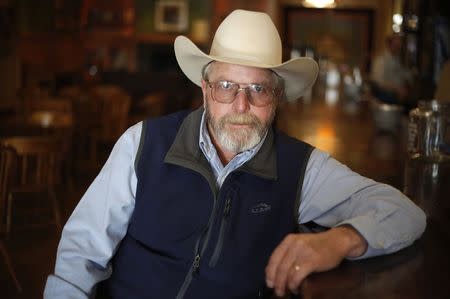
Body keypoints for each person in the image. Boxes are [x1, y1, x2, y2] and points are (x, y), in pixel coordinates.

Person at [44, 10, 426, 299]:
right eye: (227, 86)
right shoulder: (141, 143)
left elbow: (406, 213)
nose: (241, 104)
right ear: (205, 89)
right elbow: (80, 256)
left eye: (258, 89)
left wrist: (340, 239)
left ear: (277, 98)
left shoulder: (302, 167)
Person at [370, 34, 413, 106]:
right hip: (385, 95)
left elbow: (407, 76)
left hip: (399, 94)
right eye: (396, 44)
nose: (399, 47)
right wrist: (397, 89)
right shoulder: (380, 60)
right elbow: (378, 82)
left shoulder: (398, 60)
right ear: (389, 44)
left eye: (400, 45)